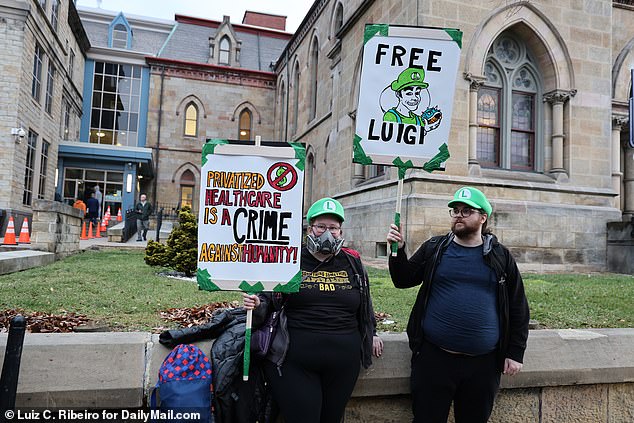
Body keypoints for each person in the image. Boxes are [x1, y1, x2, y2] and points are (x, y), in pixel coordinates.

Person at [386, 187, 529, 423]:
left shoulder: (500, 257)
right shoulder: (435, 248)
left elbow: (517, 306)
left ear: (483, 217)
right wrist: (398, 250)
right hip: (434, 359)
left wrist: (515, 352)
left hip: (483, 365)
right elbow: (403, 280)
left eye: (466, 211)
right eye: (455, 211)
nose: (458, 215)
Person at [243, 197, 383, 423]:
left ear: (340, 231)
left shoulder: (353, 261)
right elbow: (266, 300)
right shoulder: (290, 259)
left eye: (333, 228)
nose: (327, 233)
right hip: (294, 362)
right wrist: (257, 304)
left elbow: (364, 302)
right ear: (310, 228)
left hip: (343, 365)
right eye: (321, 226)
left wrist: (372, 332)